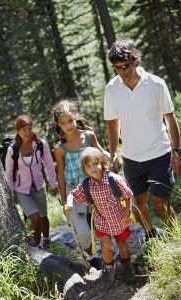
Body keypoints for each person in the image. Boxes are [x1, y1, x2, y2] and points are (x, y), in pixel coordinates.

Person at [104, 38, 181, 239]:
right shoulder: (112, 89)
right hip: (131, 158)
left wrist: (177, 151)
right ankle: (152, 238)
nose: (122, 72)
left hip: (159, 154)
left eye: (125, 66)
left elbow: (170, 119)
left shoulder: (156, 84)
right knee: (137, 205)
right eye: (117, 68)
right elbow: (112, 123)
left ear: (135, 60)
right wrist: (113, 154)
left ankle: (176, 239)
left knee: (160, 204)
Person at [64, 147, 135, 287]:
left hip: (119, 217)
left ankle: (127, 265)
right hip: (101, 219)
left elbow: (128, 195)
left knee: (122, 244)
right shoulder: (86, 185)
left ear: (103, 163)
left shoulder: (114, 179)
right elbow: (73, 193)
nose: (93, 168)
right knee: (105, 244)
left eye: (95, 164)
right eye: (88, 166)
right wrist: (69, 203)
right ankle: (109, 268)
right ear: (84, 169)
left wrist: (128, 212)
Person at [53, 100, 110, 270]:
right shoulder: (59, 148)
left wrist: (111, 158)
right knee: (83, 232)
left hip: (94, 186)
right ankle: (92, 258)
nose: (68, 125)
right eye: (63, 123)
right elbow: (61, 175)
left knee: (98, 224)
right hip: (73, 191)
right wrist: (64, 201)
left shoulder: (89, 136)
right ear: (58, 124)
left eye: (70, 120)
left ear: (76, 117)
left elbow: (101, 155)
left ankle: (107, 255)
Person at [5, 115, 58, 249]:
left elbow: (49, 165)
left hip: (39, 186)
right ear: (18, 131)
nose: (28, 133)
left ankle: (46, 239)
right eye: (24, 130)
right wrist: (11, 193)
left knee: (43, 216)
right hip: (21, 189)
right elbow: (9, 173)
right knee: (34, 217)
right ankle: (37, 246)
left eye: (29, 129)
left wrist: (53, 184)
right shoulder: (12, 150)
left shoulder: (40, 144)